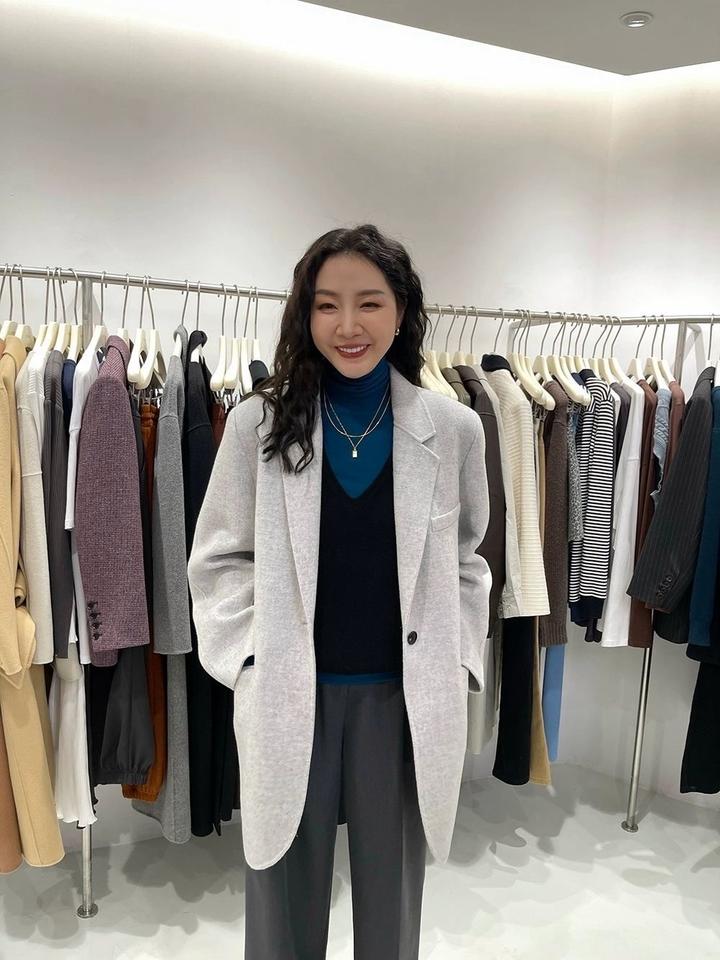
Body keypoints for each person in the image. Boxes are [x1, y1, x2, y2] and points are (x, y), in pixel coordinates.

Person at [187, 223, 491, 959]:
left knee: (392, 909)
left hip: (401, 701)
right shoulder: (259, 424)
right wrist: (251, 661)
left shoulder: (453, 428)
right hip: (292, 693)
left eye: (369, 303)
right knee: (282, 907)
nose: (348, 325)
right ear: (305, 313)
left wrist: (456, 660)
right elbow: (218, 559)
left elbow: (468, 560)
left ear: (402, 310)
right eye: (327, 305)